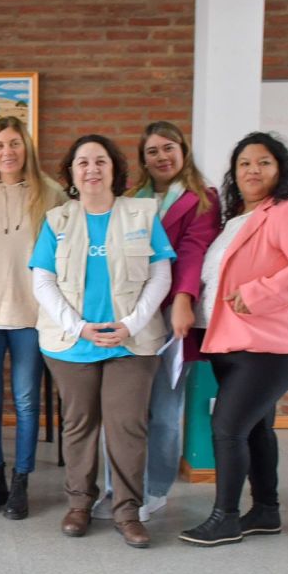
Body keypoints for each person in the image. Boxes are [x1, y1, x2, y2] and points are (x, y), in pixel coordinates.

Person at [179, 132, 288, 547]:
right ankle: (266, 510)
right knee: (257, 428)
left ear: (280, 169)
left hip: (273, 345)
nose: (253, 170)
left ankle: (224, 517)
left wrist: (255, 293)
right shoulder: (237, 219)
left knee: (227, 428)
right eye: (244, 163)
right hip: (236, 344)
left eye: (264, 162)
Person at [30, 134, 176, 548]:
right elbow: (42, 281)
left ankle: (128, 510)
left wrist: (131, 323)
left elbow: (160, 275)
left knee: (127, 426)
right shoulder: (57, 219)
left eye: (100, 162)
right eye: (82, 163)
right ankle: (79, 504)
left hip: (131, 343)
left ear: (115, 169)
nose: (92, 169)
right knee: (79, 426)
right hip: (71, 343)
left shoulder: (142, 214)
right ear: (72, 174)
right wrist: (77, 326)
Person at [94, 121, 221, 522]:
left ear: (183, 151)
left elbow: (192, 251)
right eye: (152, 151)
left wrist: (183, 300)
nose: (161, 157)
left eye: (169, 148)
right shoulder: (131, 198)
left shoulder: (203, 198)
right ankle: (117, 489)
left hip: (171, 312)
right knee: (122, 410)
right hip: (129, 313)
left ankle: (154, 489)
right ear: (142, 158)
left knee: (164, 410)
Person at [0, 117, 67, 520]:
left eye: (15, 143)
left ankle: (21, 480)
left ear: (27, 147)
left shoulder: (51, 194)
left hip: (32, 315)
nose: (7, 152)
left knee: (24, 402)